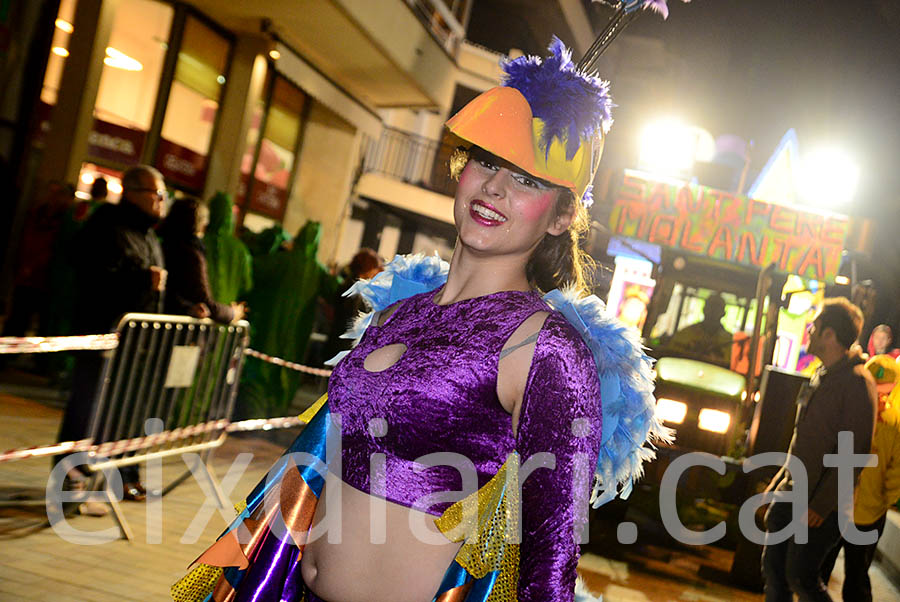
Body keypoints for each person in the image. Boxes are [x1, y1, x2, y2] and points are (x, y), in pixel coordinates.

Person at [173, 38, 668, 602]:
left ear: (561, 217)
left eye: (528, 181)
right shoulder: (396, 314)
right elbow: (313, 465)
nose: (496, 187)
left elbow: (547, 563)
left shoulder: (545, 349)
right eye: (488, 162)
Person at [56, 165, 168, 505]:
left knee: (116, 416)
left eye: (163, 195)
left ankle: (99, 482)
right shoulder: (106, 225)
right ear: (133, 193)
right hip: (102, 338)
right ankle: (68, 485)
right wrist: (140, 279)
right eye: (155, 194)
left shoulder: (148, 234)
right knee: (85, 413)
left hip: (133, 347)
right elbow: (94, 276)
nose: (161, 201)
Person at [761, 297, 878, 602]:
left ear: (829, 335)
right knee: (774, 573)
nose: (809, 333)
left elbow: (855, 453)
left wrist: (822, 505)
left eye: (815, 327)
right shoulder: (822, 375)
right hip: (792, 489)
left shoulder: (856, 383)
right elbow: (804, 439)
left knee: (801, 577)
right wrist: (778, 484)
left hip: (822, 506)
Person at [819, 354, 900, 601]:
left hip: (840, 506)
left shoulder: (849, 408)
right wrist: (884, 499)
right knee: (854, 578)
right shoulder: (894, 421)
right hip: (864, 511)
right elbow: (896, 472)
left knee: (818, 570)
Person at [158, 197, 246, 323]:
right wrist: (232, 313)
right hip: (190, 324)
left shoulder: (162, 242)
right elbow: (203, 300)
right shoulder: (192, 252)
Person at [323, 248, 383, 361]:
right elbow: (356, 324)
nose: (377, 272)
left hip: (337, 346)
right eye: (375, 268)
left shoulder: (347, 287)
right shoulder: (358, 293)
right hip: (347, 352)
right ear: (368, 269)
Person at [665, 294, 733, 366]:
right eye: (711, 307)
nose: (713, 312)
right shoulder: (685, 334)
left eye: (717, 308)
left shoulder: (730, 341)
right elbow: (671, 357)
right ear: (704, 309)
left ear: (723, 313)